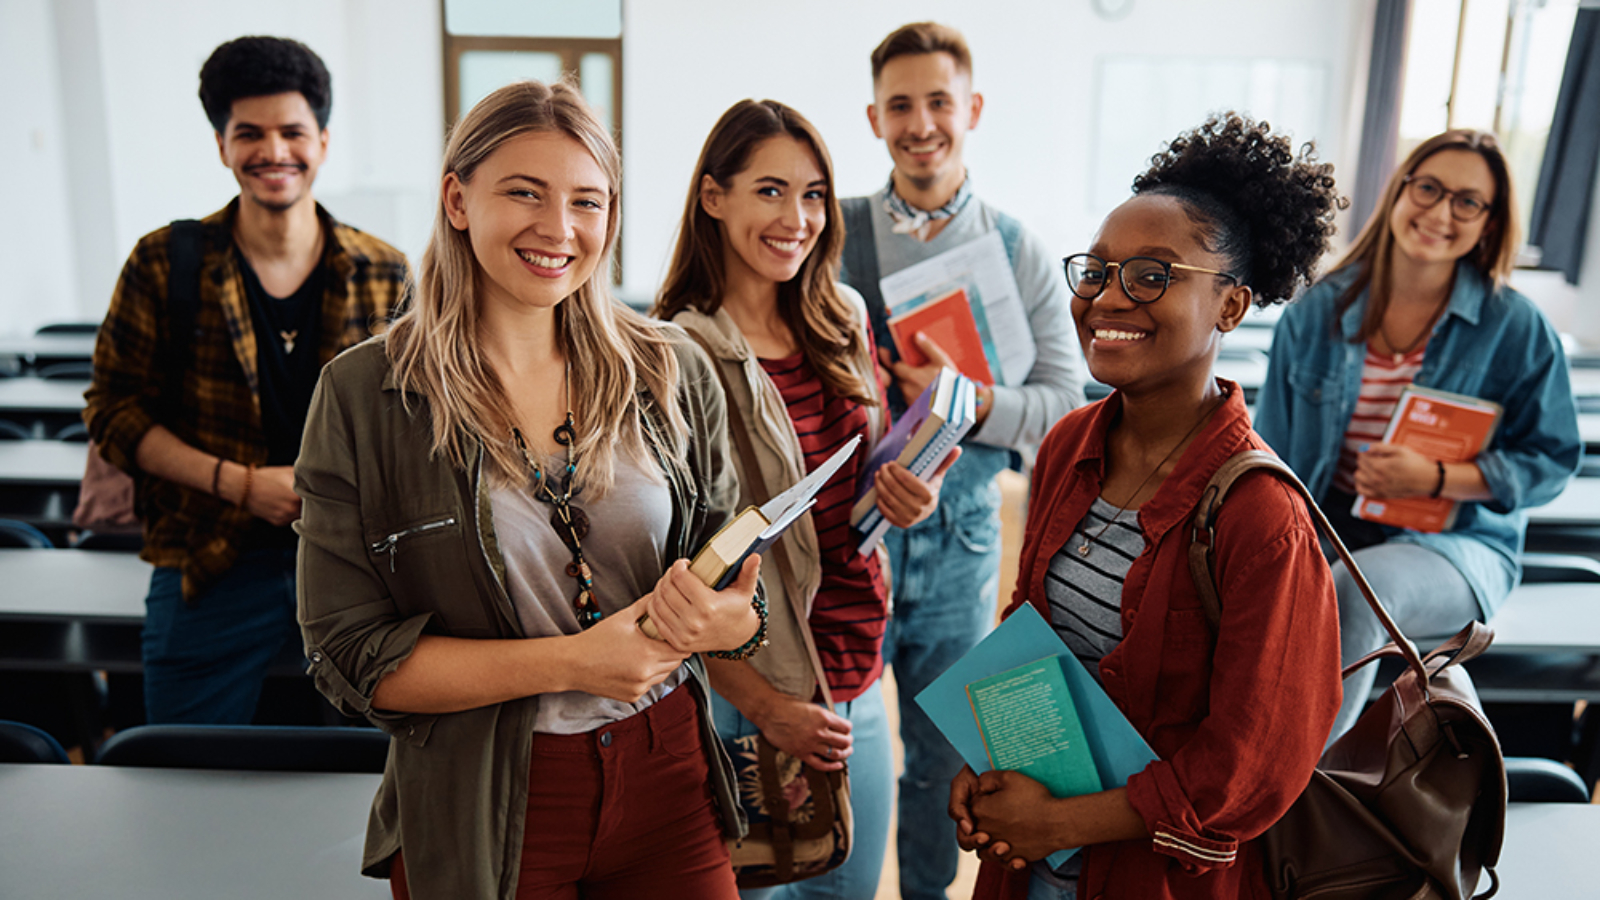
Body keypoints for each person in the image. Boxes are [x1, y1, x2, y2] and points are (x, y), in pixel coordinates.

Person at [295, 79, 769, 900]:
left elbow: (734, 582)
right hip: (480, 797)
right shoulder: (366, 394)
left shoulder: (670, 369)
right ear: (457, 198)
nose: (559, 229)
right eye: (524, 193)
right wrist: (574, 662)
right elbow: (348, 657)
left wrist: (734, 622)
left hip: (667, 777)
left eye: (587, 201)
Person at [953, 114, 1345, 900]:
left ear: (1230, 308)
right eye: (1096, 271)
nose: (1108, 298)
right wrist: (988, 757)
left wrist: (1061, 824)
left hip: (1153, 878)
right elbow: (1033, 631)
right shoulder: (1068, 445)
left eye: (1153, 275)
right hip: (1030, 864)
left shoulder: (1260, 516)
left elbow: (1253, 765)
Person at [655, 99, 954, 900]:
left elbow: (864, 484)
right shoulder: (677, 354)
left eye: (815, 194)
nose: (798, 218)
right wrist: (766, 706)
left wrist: (908, 497)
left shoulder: (841, 316)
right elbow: (671, 568)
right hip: (750, 692)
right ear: (713, 198)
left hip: (855, 676)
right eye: (770, 191)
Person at [82, 36, 408, 724]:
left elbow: (412, 422)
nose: (273, 151)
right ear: (222, 145)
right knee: (184, 771)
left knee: (360, 790)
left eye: (292, 132)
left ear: (322, 140)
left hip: (358, 569)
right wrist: (239, 484)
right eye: (248, 134)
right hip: (207, 561)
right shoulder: (163, 262)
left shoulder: (385, 271)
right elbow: (114, 412)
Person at [835, 23, 1085, 898]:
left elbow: (1065, 405)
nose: (920, 123)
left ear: (971, 110)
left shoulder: (1018, 251)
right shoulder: (835, 236)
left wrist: (967, 399)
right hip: (851, 541)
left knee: (945, 767)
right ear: (874, 118)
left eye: (938, 102)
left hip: (965, 543)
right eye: (900, 105)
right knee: (849, 749)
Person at [1254, 129, 1582, 739]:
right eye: (1428, 188)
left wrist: (1435, 478)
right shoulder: (1316, 312)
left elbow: (1553, 459)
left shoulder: (1515, 326)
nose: (1439, 213)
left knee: (1358, 592)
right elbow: (1271, 451)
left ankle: (1297, 794)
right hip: (1330, 532)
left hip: (1457, 545)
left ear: (1489, 223)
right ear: (1399, 191)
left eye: (1467, 202)